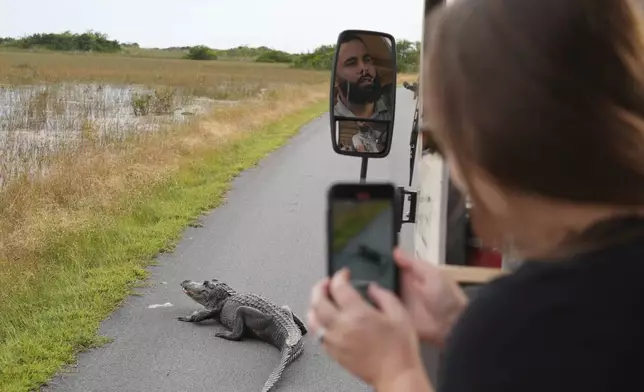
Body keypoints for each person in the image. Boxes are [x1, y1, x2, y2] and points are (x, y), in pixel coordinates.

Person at [308, 0, 644, 391]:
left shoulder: (511, 331)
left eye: (442, 146)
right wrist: (457, 320)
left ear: (492, 150)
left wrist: (394, 370)